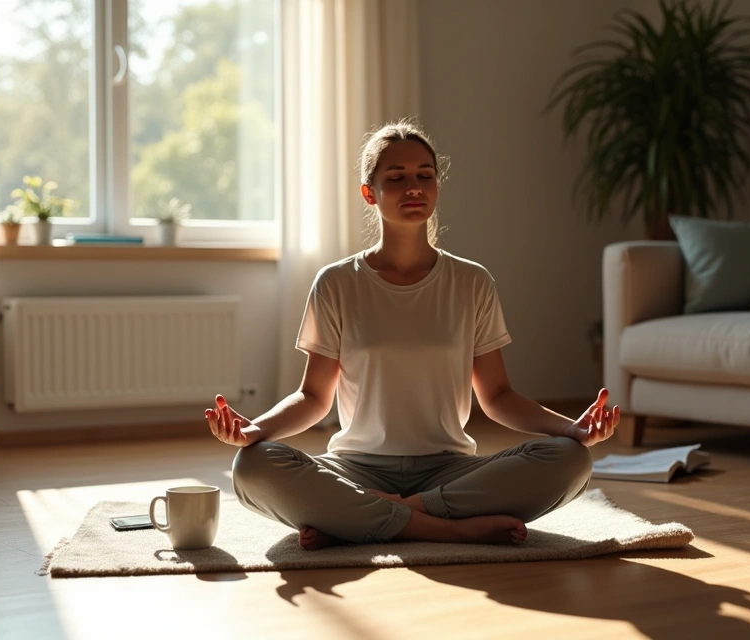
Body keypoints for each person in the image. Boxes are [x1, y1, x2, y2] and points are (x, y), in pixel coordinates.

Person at [205, 120, 622, 550]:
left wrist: (572, 429)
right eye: (397, 177)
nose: (414, 187)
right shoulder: (335, 283)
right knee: (252, 467)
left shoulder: (471, 282)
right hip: (356, 468)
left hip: (450, 469)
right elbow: (314, 398)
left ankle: (365, 516)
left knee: (570, 460)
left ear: (437, 187)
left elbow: (496, 396)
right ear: (370, 193)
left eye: (425, 175)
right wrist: (255, 430)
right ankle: (449, 527)